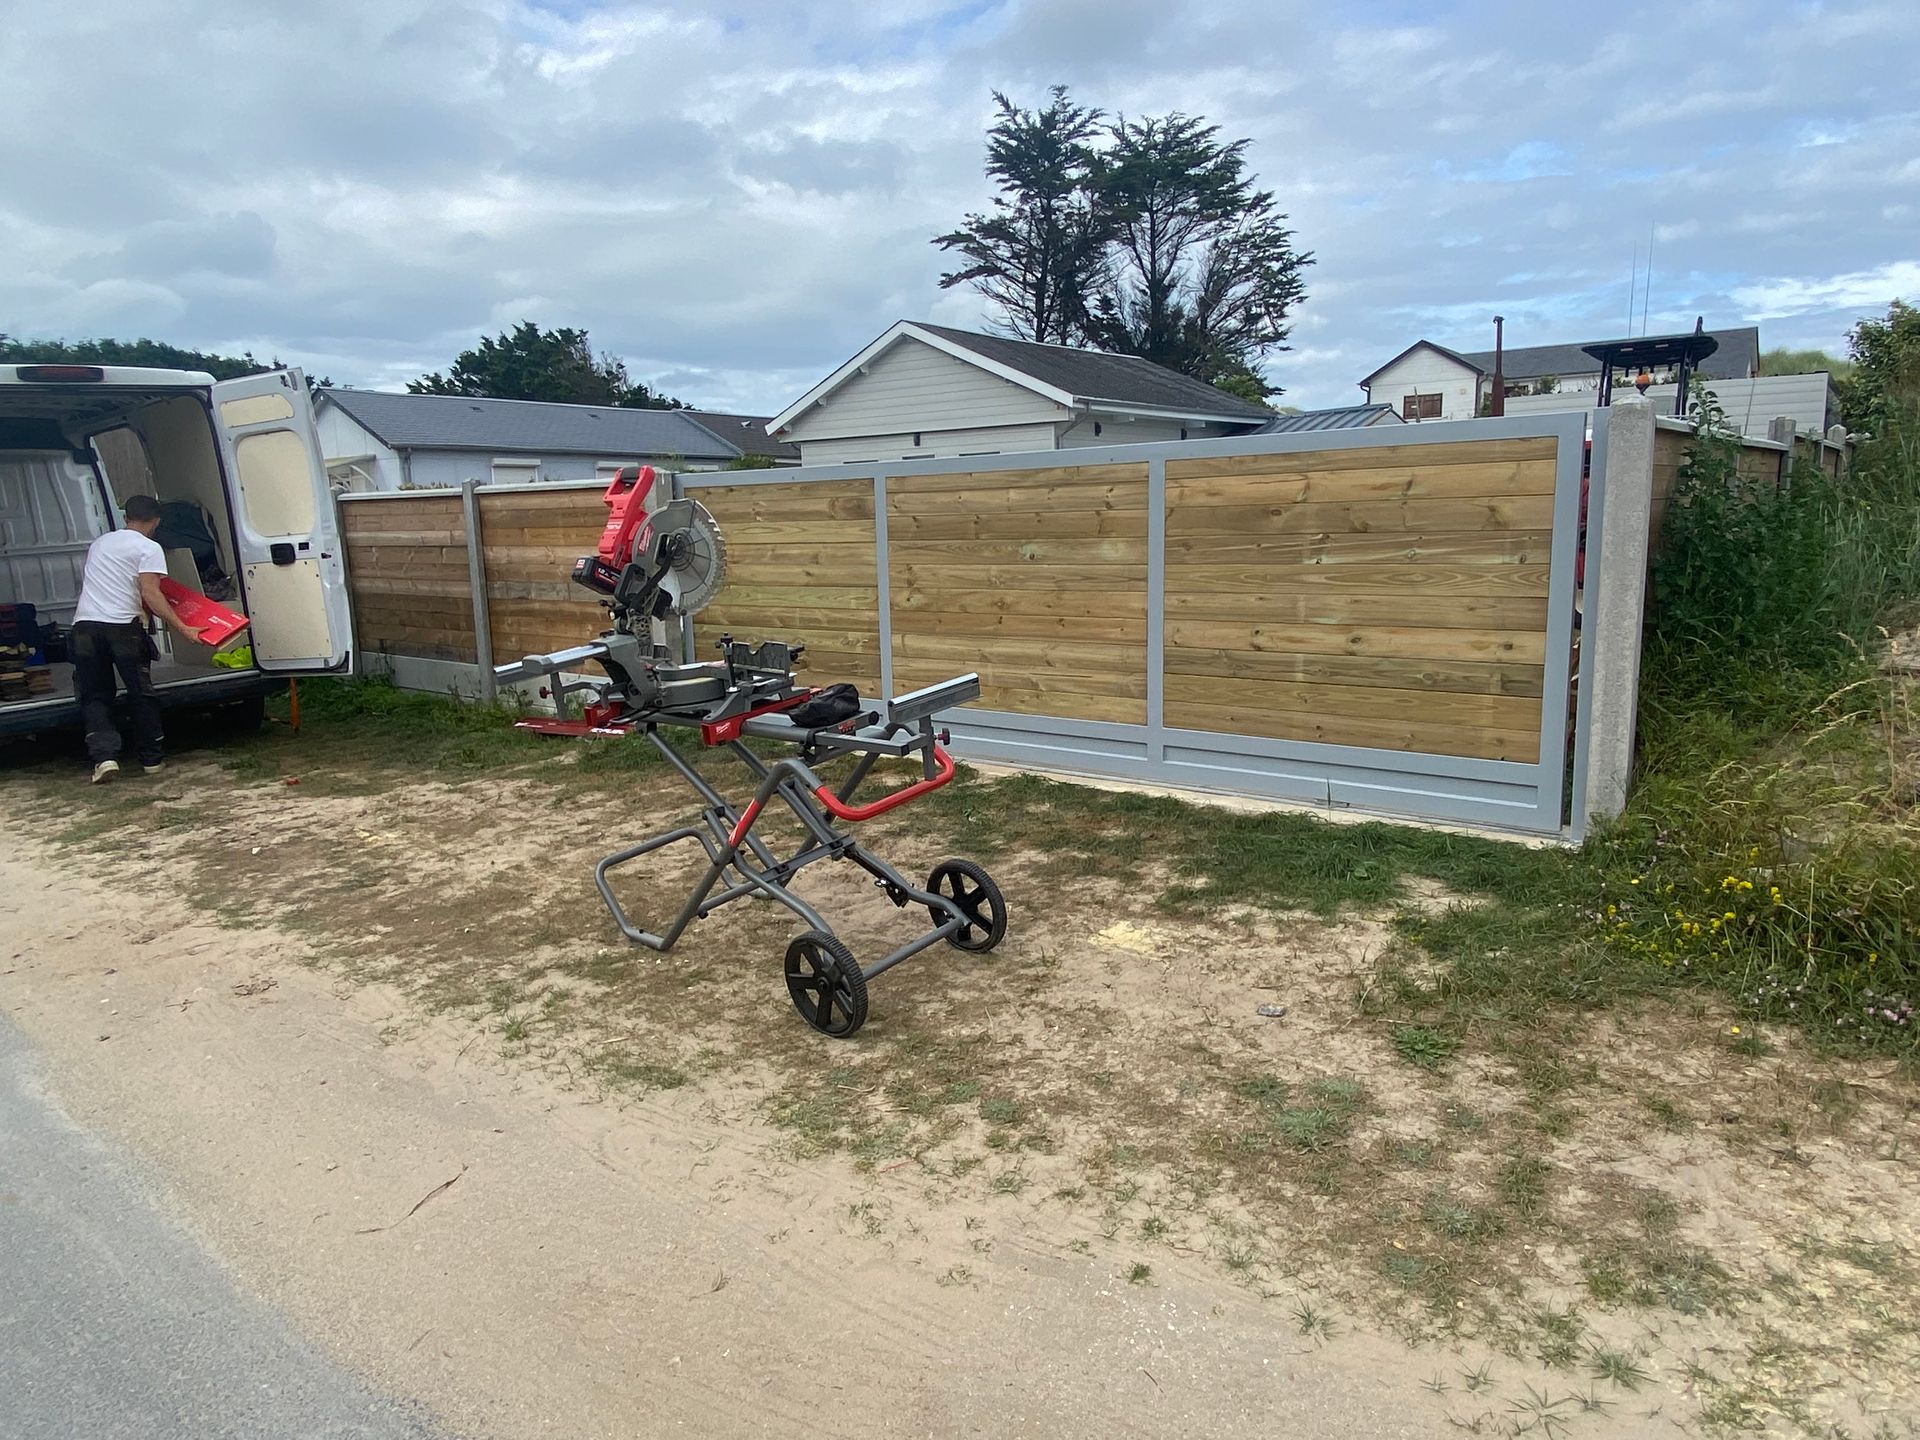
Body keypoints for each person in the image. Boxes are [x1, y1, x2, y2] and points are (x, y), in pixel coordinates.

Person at [70, 495, 205, 784]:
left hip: (84, 627)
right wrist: (183, 628)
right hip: (123, 629)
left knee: (94, 695)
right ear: (155, 521)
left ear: (126, 517)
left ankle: (104, 758)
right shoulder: (149, 547)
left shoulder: (101, 543)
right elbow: (151, 592)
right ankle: (151, 759)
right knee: (140, 692)